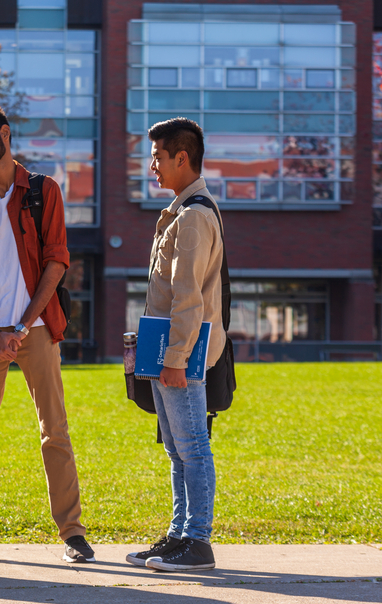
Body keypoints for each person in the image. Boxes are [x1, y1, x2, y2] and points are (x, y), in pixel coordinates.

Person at [0, 105, 95, 564]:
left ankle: (71, 533)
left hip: (35, 328)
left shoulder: (43, 191)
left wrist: (24, 325)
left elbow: (56, 262)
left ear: (5, 134)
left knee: (56, 431)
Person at [125, 117, 223, 572]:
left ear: (182, 157)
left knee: (193, 448)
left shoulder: (195, 216)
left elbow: (189, 298)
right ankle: (179, 534)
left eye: (158, 157)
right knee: (175, 448)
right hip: (168, 349)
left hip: (179, 353)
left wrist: (175, 359)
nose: (152, 166)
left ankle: (198, 543)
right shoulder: (182, 213)